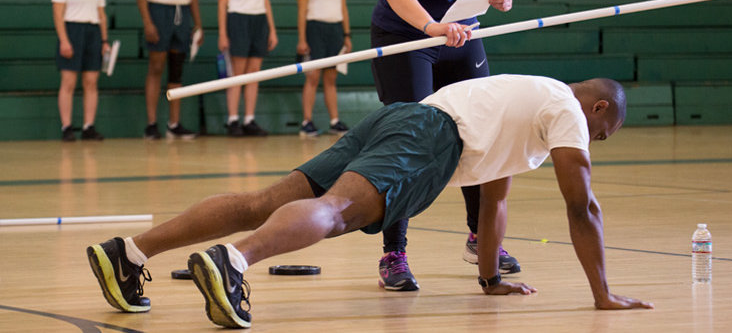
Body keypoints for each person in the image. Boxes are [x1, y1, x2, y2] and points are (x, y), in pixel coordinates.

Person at [87, 74, 654, 329]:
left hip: (399, 118)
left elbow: (492, 204)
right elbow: (583, 207)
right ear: (598, 110)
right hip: (431, 139)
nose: (590, 146)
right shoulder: (566, 109)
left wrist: (489, 281)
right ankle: (231, 263)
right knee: (337, 213)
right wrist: (602, 295)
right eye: (599, 137)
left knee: (264, 200)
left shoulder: (526, 104)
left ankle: (129, 253)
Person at [370, 0, 516, 290]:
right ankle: (394, 253)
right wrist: (431, 26)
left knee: (480, 133)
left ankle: (481, 237)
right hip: (408, 35)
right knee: (409, 144)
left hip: (462, 30)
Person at [134, 0, 203, 140]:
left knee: (177, 69)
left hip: (181, 11)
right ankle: (151, 123)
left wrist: (197, 24)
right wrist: (147, 21)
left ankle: (174, 124)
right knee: (156, 67)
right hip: (159, 10)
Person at [216, 0, 279, 137]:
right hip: (238, 19)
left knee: (254, 74)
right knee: (237, 74)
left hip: (258, 20)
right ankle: (233, 119)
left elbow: (266, 1)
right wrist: (223, 33)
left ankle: (249, 119)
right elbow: (222, 3)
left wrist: (271, 29)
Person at [52, 0, 110, 141]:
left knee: (91, 81)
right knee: (68, 81)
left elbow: (101, 14)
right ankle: (66, 126)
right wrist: (64, 40)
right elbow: (58, 15)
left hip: (92, 32)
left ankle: (88, 126)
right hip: (72, 30)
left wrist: (104, 40)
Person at [295, 0, 352, 137]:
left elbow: (343, 9)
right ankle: (306, 121)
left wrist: (346, 35)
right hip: (314, 30)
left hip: (335, 30)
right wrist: (302, 39)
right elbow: (302, 12)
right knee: (313, 77)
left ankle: (334, 121)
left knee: (331, 78)